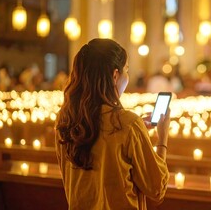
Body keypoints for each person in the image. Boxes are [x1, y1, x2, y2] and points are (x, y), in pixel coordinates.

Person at [55, 38, 170, 210]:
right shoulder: (128, 124)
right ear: (115, 75)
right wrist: (162, 137)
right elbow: (156, 188)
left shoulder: (65, 120)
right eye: (127, 70)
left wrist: (136, 133)